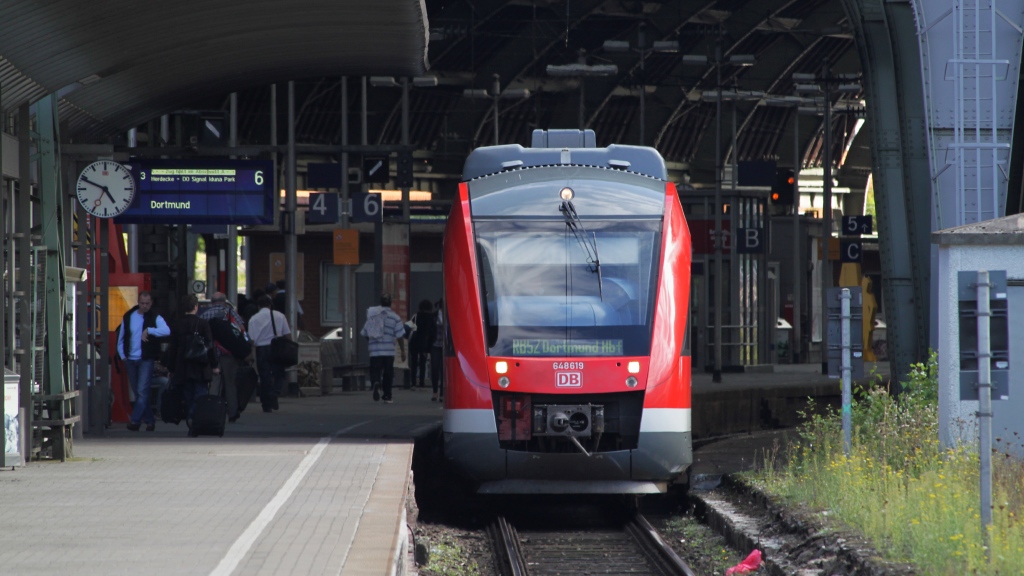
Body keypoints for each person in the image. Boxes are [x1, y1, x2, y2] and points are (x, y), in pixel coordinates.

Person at [116, 291, 171, 432]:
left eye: (147, 303)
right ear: (138, 302)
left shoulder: (154, 317)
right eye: (142, 303)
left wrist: (150, 330)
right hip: (130, 359)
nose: (144, 306)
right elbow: (121, 338)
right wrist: (123, 356)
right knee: (140, 392)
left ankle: (135, 421)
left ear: (151, 303)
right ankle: (150, 421)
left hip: (145, 359)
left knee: (141, 391)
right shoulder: (129, 316)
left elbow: (166, 331)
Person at [163, 294, 219, 427]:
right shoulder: (203, 324)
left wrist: (171, 368)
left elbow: (173, 349)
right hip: (201, 366)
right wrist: (214, 365)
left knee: (187, 396)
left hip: (183, 367)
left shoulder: (177, 325)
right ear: (196, 307)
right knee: (200, 395)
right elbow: (210, 347)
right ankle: (197, 420)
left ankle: (190, 417)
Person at [199, 292, 249, 422]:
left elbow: (200, 334)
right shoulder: (231, 312)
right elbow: (242, 329)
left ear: (212, 302)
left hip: (212, 355)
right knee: (230, 384)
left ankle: (212, 413)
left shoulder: (205, 315)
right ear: (225, 301)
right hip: (229, 355)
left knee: (214, 384)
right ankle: (232, 413)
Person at [247, 294, 291, 413]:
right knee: (279, 373)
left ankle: (266, 404)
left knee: (264, 376)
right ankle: (274, 392)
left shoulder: (253, 319)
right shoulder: (280, 316)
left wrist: (250, 354)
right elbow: (287, 334)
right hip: (277, 348)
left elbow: (251, 339)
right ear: (270, 304)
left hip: (261, 349)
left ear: (258, 306)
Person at [361, 294, 406, 404]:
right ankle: (387, 395)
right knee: (388, 372)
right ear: (391, 303)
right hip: (389, 350)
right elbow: (400, 335)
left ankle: (376, 383)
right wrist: (403, 351)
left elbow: (365, 332)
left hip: (375, 350)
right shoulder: (395, 317)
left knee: (375, 370)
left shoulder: (373, 316)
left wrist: (372, 342)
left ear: (380, 303)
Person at [407, 299, 437, 391]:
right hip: (424, 342)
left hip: (414, 341)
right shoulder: (431, 318)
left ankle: (413, 383)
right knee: (423, 363)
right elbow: (433, 331)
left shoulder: (416, 316)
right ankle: (422, 382)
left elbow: (410, 327)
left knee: (414, 362)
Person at [430, 299, 445, 402]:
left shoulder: (450, 315)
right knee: (435, 368)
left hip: (446, 346)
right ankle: (435, 391)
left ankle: (442, 393)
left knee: (444, 370)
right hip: (435, 344)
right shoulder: (434, 316)